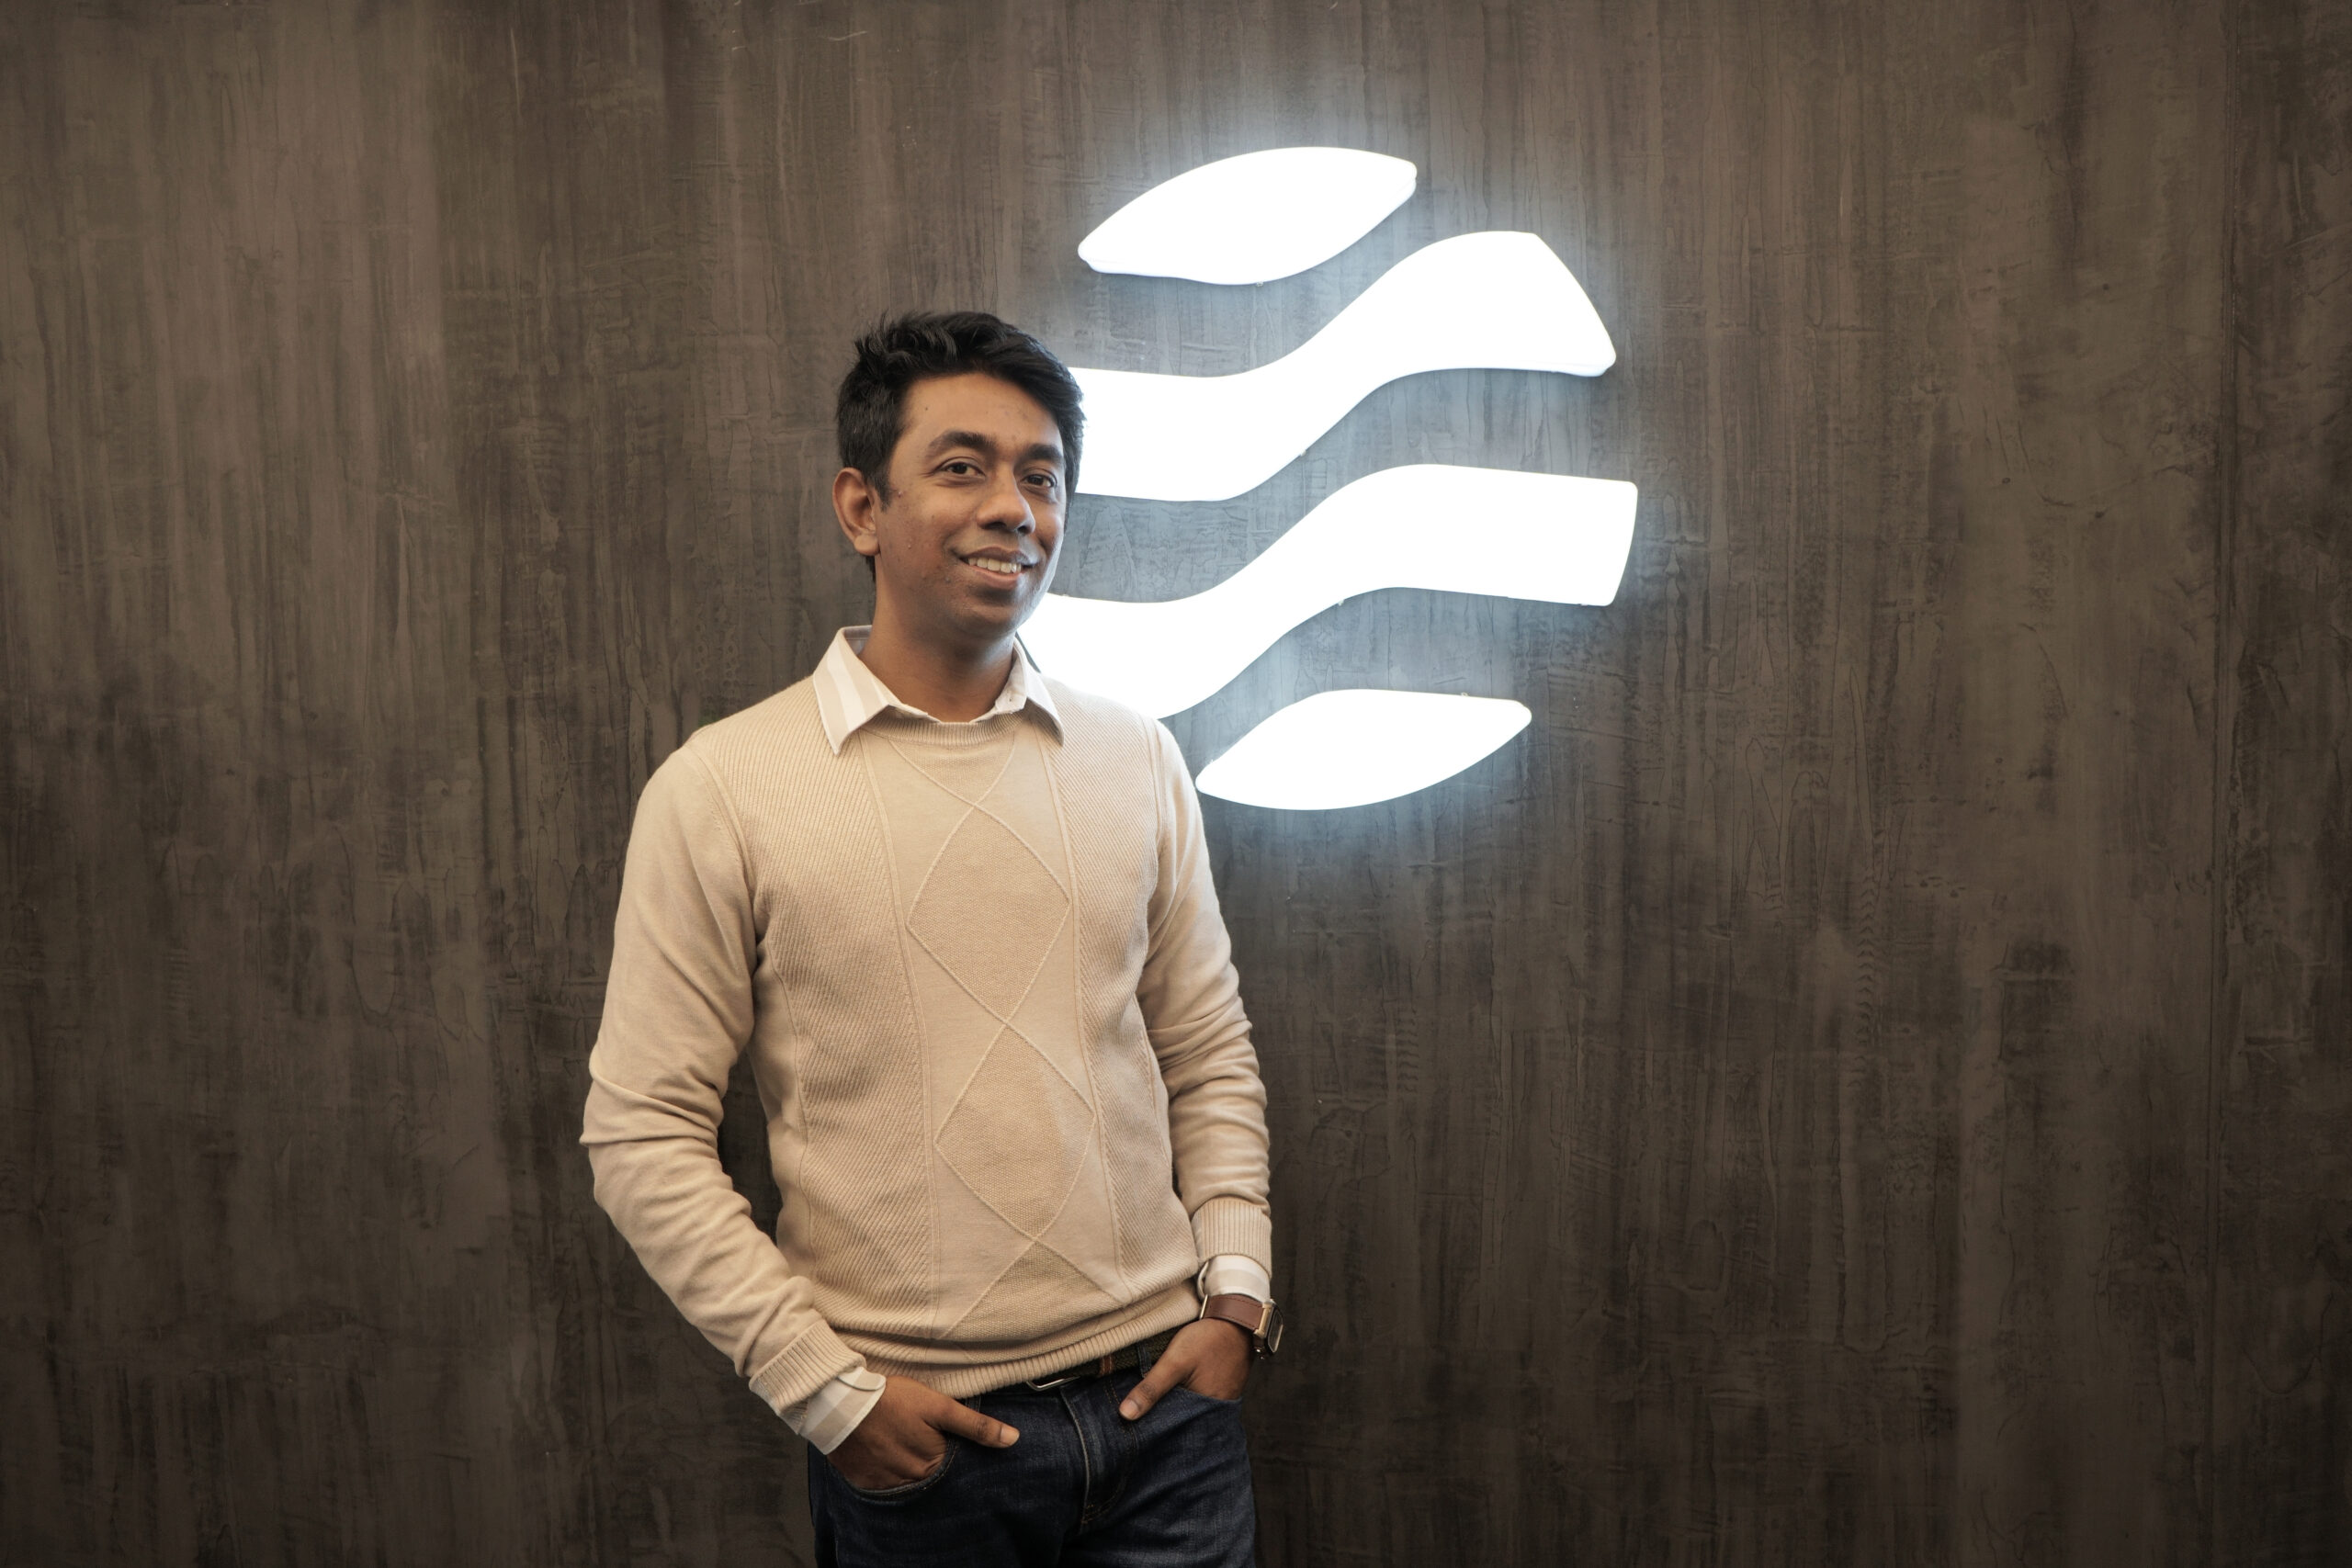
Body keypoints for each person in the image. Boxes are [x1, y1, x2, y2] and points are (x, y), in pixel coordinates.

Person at [581, 310, 1279, 1566]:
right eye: (963, 468)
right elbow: (641, 1132)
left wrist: (1238, 1290)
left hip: (1167, 1419)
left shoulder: (1135, 758)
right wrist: (824, 1393)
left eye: (1041, 476)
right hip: (923, 1452)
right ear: (862, 507)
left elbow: (1205, 1048)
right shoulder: (723, 787)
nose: (1013, 507)